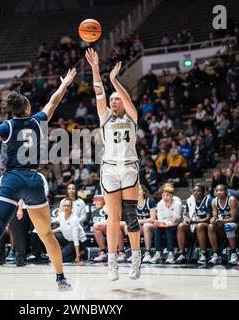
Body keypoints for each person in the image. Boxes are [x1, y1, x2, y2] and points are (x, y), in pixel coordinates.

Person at [0, 68, 76, 299]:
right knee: (46, 234)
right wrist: (64, 83)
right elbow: (53, 101)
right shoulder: (37, 121)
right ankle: (61, 279)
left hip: (12, 179)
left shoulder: (7, 126)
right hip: (34, 180)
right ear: (27, 108)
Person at [86, 48, 141, 281]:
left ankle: (136, 260)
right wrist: (96, 69)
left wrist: (114, 81)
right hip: (109, 169)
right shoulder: (105, 117)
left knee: (131, 216)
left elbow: (127, 99)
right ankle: (112, 263)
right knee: (113, 218)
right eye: (112, 99)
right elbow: (99, 93)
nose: (113, 101)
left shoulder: (131, 116)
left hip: (129, 168)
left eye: (116, 98)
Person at [175, 184, 212, 264]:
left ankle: (203, 254)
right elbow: (188, 215)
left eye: (198, 191)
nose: (196, 193)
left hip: (206, 227)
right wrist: (188, 219)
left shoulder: (209, 200)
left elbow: (208, 218)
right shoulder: (190, 201)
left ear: (203, 192)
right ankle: (182, 254)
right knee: (181, 226)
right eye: (194, 191)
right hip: (193, 226)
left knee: (199, 226)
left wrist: (194, 222)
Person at [149, 183, 182, 264]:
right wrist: (168, 220)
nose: (165, 197)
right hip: (165, 224)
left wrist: (166, 221)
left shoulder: (177, 203)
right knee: (157, 228)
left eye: (167, 195)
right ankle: (158, 254)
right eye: (163, 195)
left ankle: (171, 253)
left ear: (171, 196)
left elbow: (175, 221)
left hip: (177, 225)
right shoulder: (160, 204)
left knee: (168, 228)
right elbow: (160, 220)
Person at [208, 184, 239, 265]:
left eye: (221, 190)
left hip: (236, 225)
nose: (219, 192)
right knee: (210, 226)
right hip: (221, 224)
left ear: (226, 192)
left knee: (228, 226)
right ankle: (215, 254)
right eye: (217, 191)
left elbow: (234, 219)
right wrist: (213, 220)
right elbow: (215, 217)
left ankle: (234, 254)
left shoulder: (232, 199)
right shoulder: (214, 201)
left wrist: (219, 220)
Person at [53, 198, 89, 264]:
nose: (66, 207)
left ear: (71, 207)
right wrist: (50, 232)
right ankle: (71, 252)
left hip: (79, 241)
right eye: (65, 206)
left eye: (68, 206)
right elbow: (61, 227)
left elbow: (76, 238)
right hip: (68, 239)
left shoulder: (74, 219)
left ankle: (81, 252)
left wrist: (78, 257)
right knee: (53, 236)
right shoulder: (61, 215)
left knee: (60, 259)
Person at [133, 185, 157, 263]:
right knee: (130, 228)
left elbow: (153, 218)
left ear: (143, 192)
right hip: (142, 226)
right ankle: (135, 253)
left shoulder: (150, 201)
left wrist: (140, 222)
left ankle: (148, 253)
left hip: (153, 225)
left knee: (146, 226)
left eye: (139, 190)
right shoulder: (133, 203)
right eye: (135, 190)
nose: (137, 192)